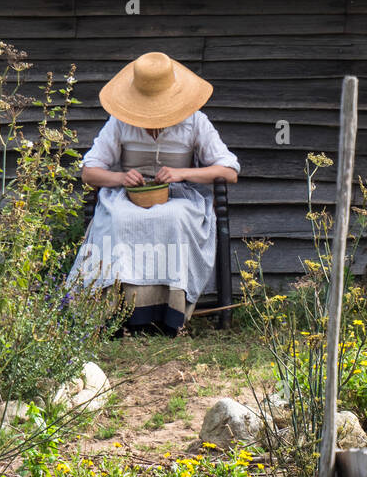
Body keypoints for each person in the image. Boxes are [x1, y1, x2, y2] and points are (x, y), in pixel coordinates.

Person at [68, 51, 239, 334]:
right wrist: (120, 177)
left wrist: (183, 173)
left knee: (174, 218)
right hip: (129, 195)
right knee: (120, 220)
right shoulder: (121, 122)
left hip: (179, 195)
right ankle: (121, 315)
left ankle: (170, 313)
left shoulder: (194, 121)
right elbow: (89, 172)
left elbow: (229, 171)